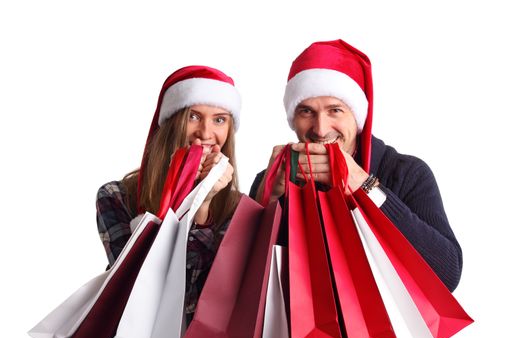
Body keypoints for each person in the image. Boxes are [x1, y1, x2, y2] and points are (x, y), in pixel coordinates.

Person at [250, 39, 463, 292]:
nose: (320, 129)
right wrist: (267, 203)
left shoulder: (406, 172)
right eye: (306, 112)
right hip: (291, 328)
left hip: (387, 328)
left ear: (357, 117)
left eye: (335, 110)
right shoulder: (273, 178)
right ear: (292, 119)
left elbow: (446, 275)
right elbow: (243, 285)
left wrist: (365, 185)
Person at [96, 65, 242, 323]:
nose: (206, 133)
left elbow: (204, 297)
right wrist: (188, 195)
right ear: (172, 123)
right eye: (193, 117)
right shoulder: (115, 196)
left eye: (219, 119)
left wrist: (204, 201)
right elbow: (144, 286)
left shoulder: (239, 209)